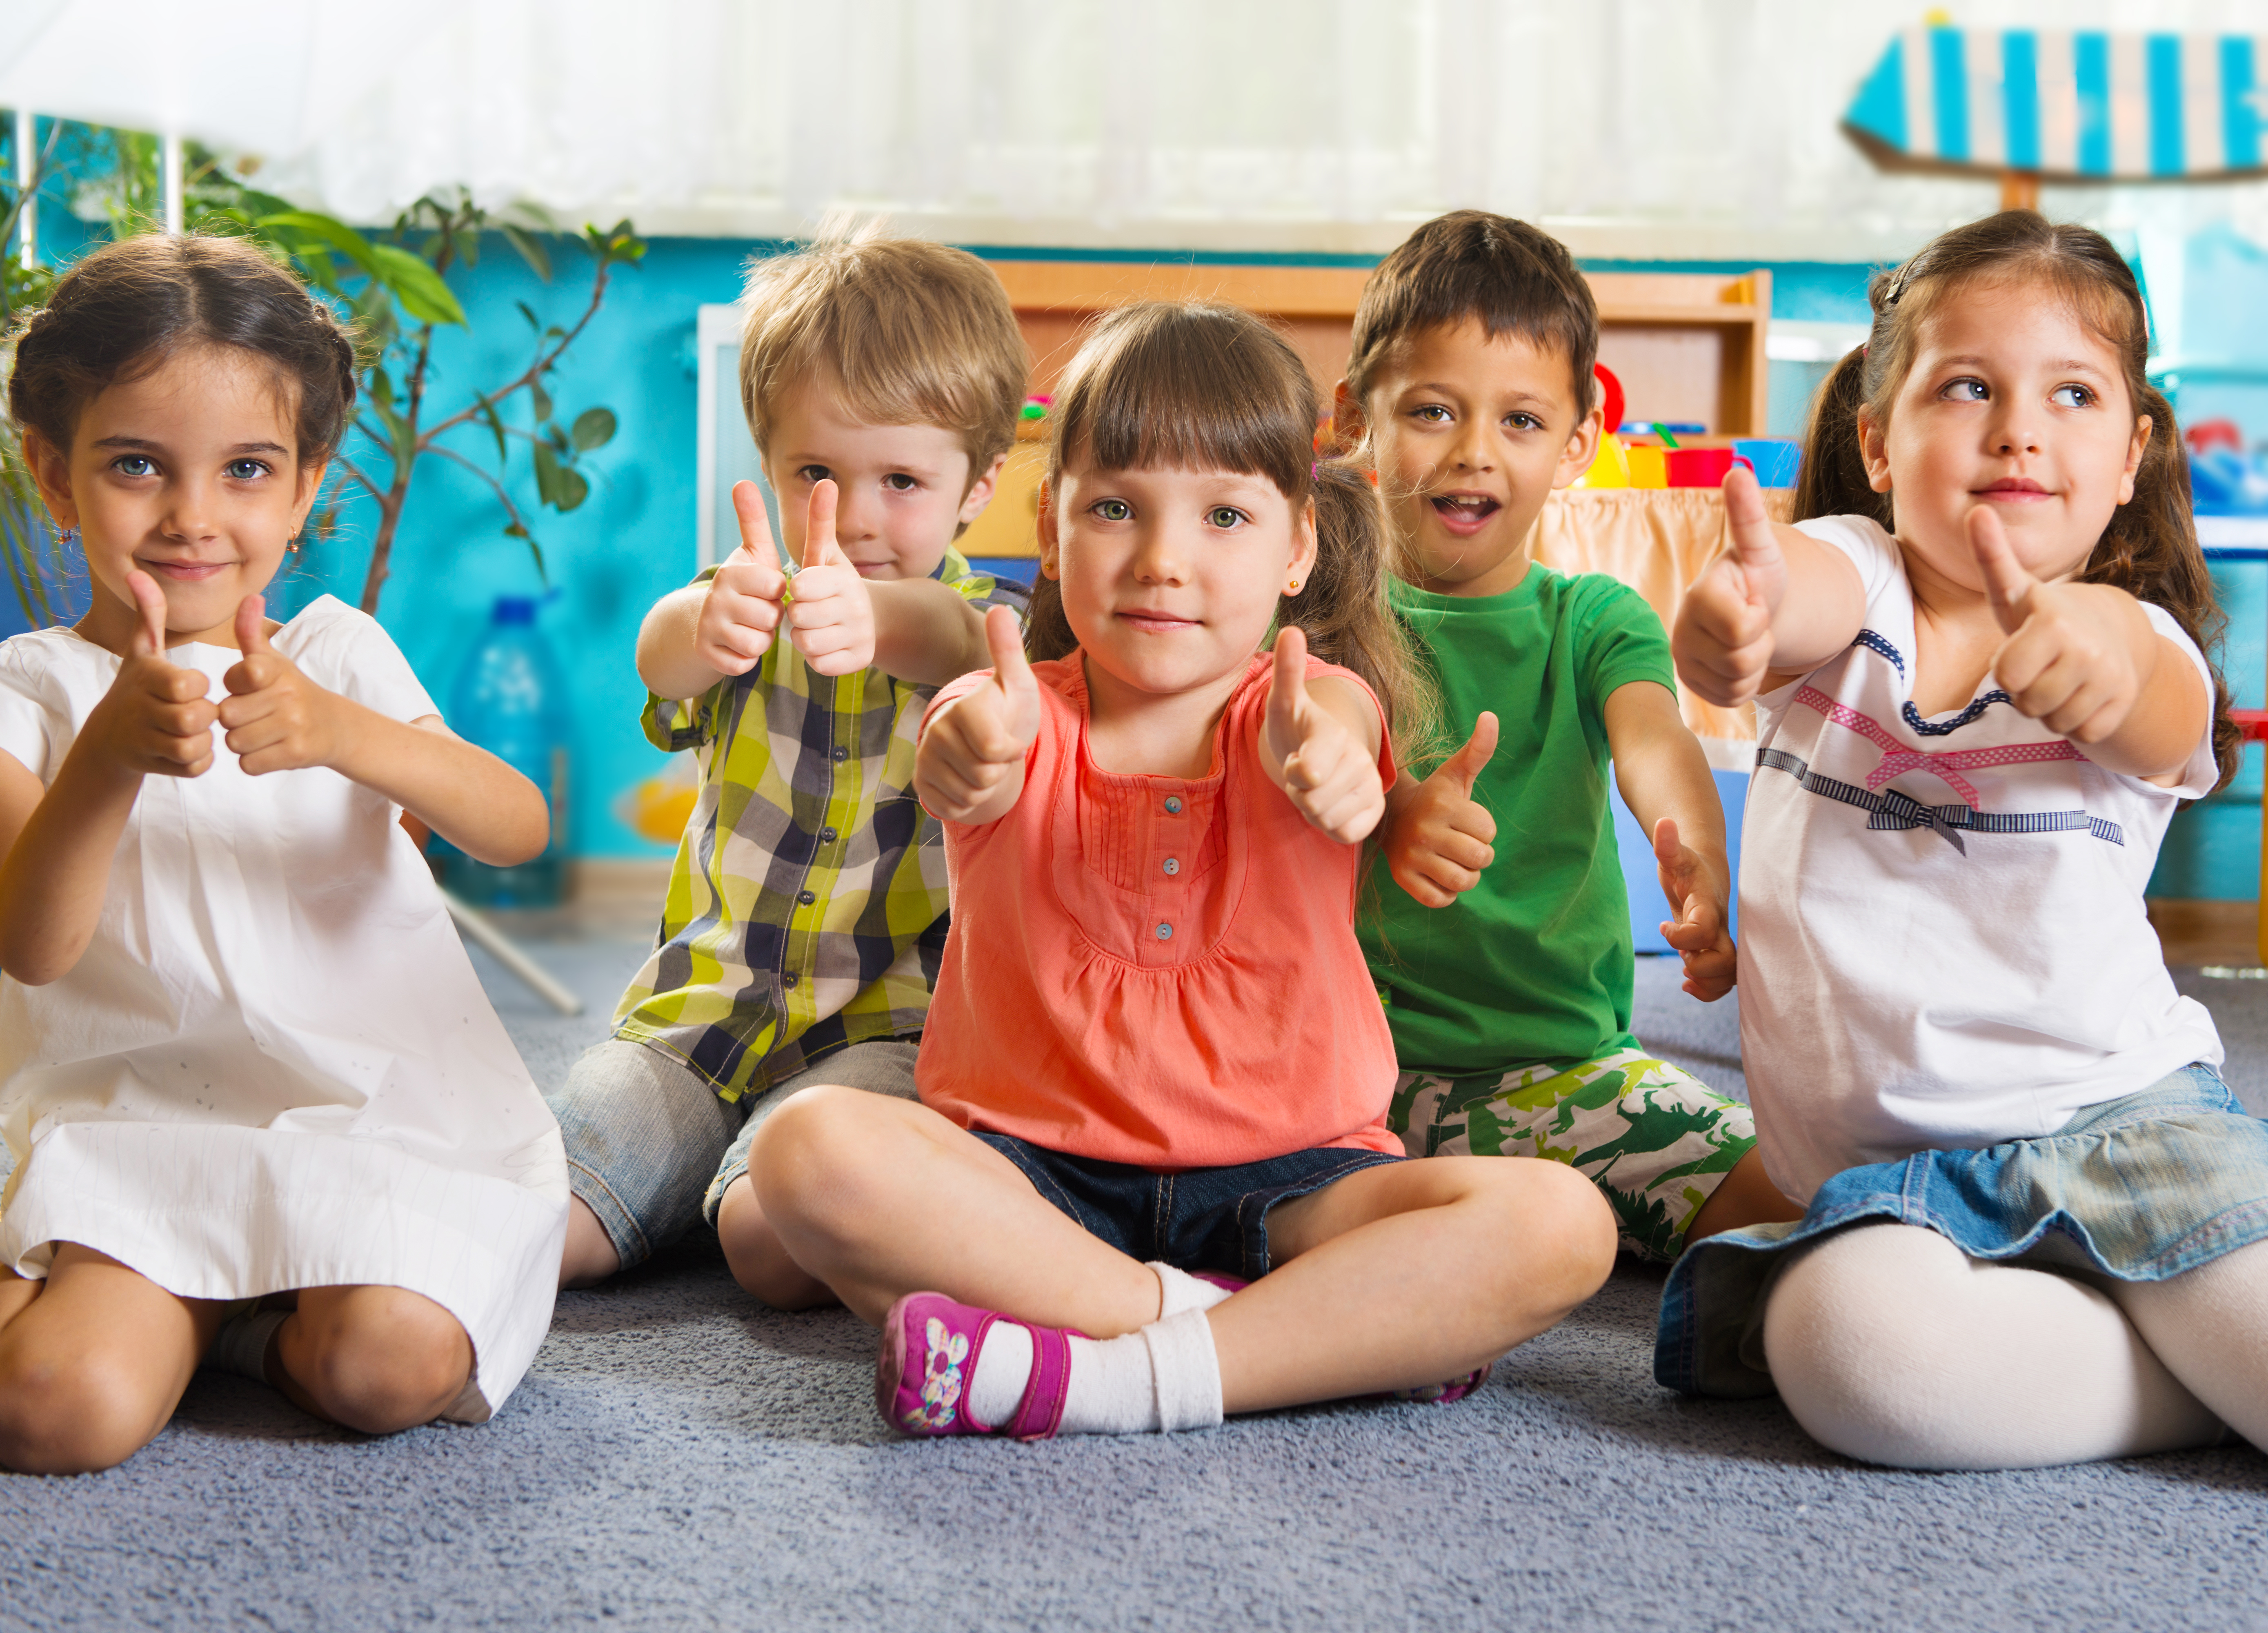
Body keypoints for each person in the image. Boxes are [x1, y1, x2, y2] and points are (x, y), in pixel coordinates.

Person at [746, 300, 1618, 1441]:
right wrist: (969, 752)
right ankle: (1256, 1337)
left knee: (1561, 1223)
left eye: (1223, 516)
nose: (1164, 560)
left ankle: (1098, 1369)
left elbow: (1335, 745)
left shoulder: (1309, 710)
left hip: (1296, 1185)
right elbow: (969, 750)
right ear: (1051, 535)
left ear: (1297, 547)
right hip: (1029, 1175)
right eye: (1114, 509)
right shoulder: (1008, 709)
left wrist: (1347, 781)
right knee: (804, 1149)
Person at [1661, 209, 2268, 1470]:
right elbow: (1782, 605)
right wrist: (1729, 620)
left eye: (2071, 394)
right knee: (1843, 1351)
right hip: (1896, 1196)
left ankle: (2181, 1332)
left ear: (2127, 455)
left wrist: (2087, 661)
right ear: (1878, 444)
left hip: (2125, 1134)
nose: (2018, 429)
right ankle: (2169, 1379)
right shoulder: (1853, 582)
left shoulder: (2132, 633)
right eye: (1968, 387)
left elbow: (2147, 700)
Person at [0, 233, 567, 1475]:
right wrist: (105, 758)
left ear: (305, 487)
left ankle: (249, 1329)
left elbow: (514, 825)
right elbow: (34, 948)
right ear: (54, 477)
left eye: (246, 469)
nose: (194, 517)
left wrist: (342, 732)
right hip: (132, 1123)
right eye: (137, 466)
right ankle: (186, 1299)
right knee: (56, 1416)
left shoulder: (337, 648)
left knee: (388, 1370)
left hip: (363, 1113)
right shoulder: (27, 693)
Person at [549, 232, 1030, 1298]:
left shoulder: (991, 630)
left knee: (769, 1244)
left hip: (893, 1031)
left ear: (976, 486)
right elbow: (662, 661)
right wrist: (697, 622)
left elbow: (945, 631)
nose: (853, 517)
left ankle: (722, 1188)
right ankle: (670, 1183)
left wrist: (871, 616)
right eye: (815, 472)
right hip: (702, 1016)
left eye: (900, 480)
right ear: (766, 462)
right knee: (551, 1212)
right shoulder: (745, 596)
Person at [1334, 211, 1798, 1261]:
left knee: (1807, 1198)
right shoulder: (1315, 613)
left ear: (1580, 444)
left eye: (1522, 422)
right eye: (1431, 410)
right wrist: (1384, 815)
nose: (1472, 454)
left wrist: (1696, 854)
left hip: (1564, 1079)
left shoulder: (1595, 618)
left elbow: (1654, 740)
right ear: (1355, 419)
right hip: (1332, 1085)